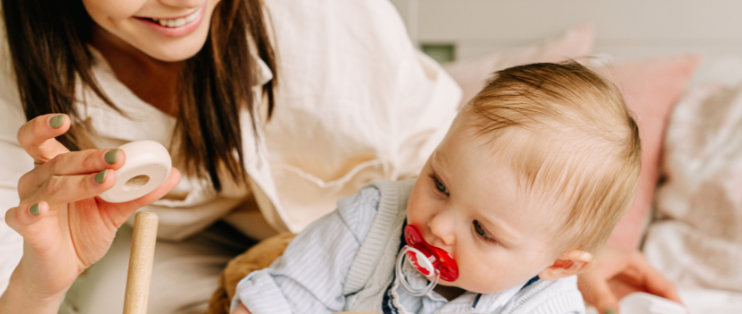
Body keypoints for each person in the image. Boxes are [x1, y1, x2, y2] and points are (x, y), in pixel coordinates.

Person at [0, 0, 680, 313]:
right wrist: (41, 275)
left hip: (362, 226)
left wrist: (533, 251)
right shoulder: (5, 49)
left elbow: (445, 161)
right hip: (193, 253)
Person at [231, 62, 645, 314]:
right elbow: (276, 299)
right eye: (440, 184)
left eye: (483, 230)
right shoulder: (370, 221)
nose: (439, 226)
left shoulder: (545, 305)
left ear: (559, 265)